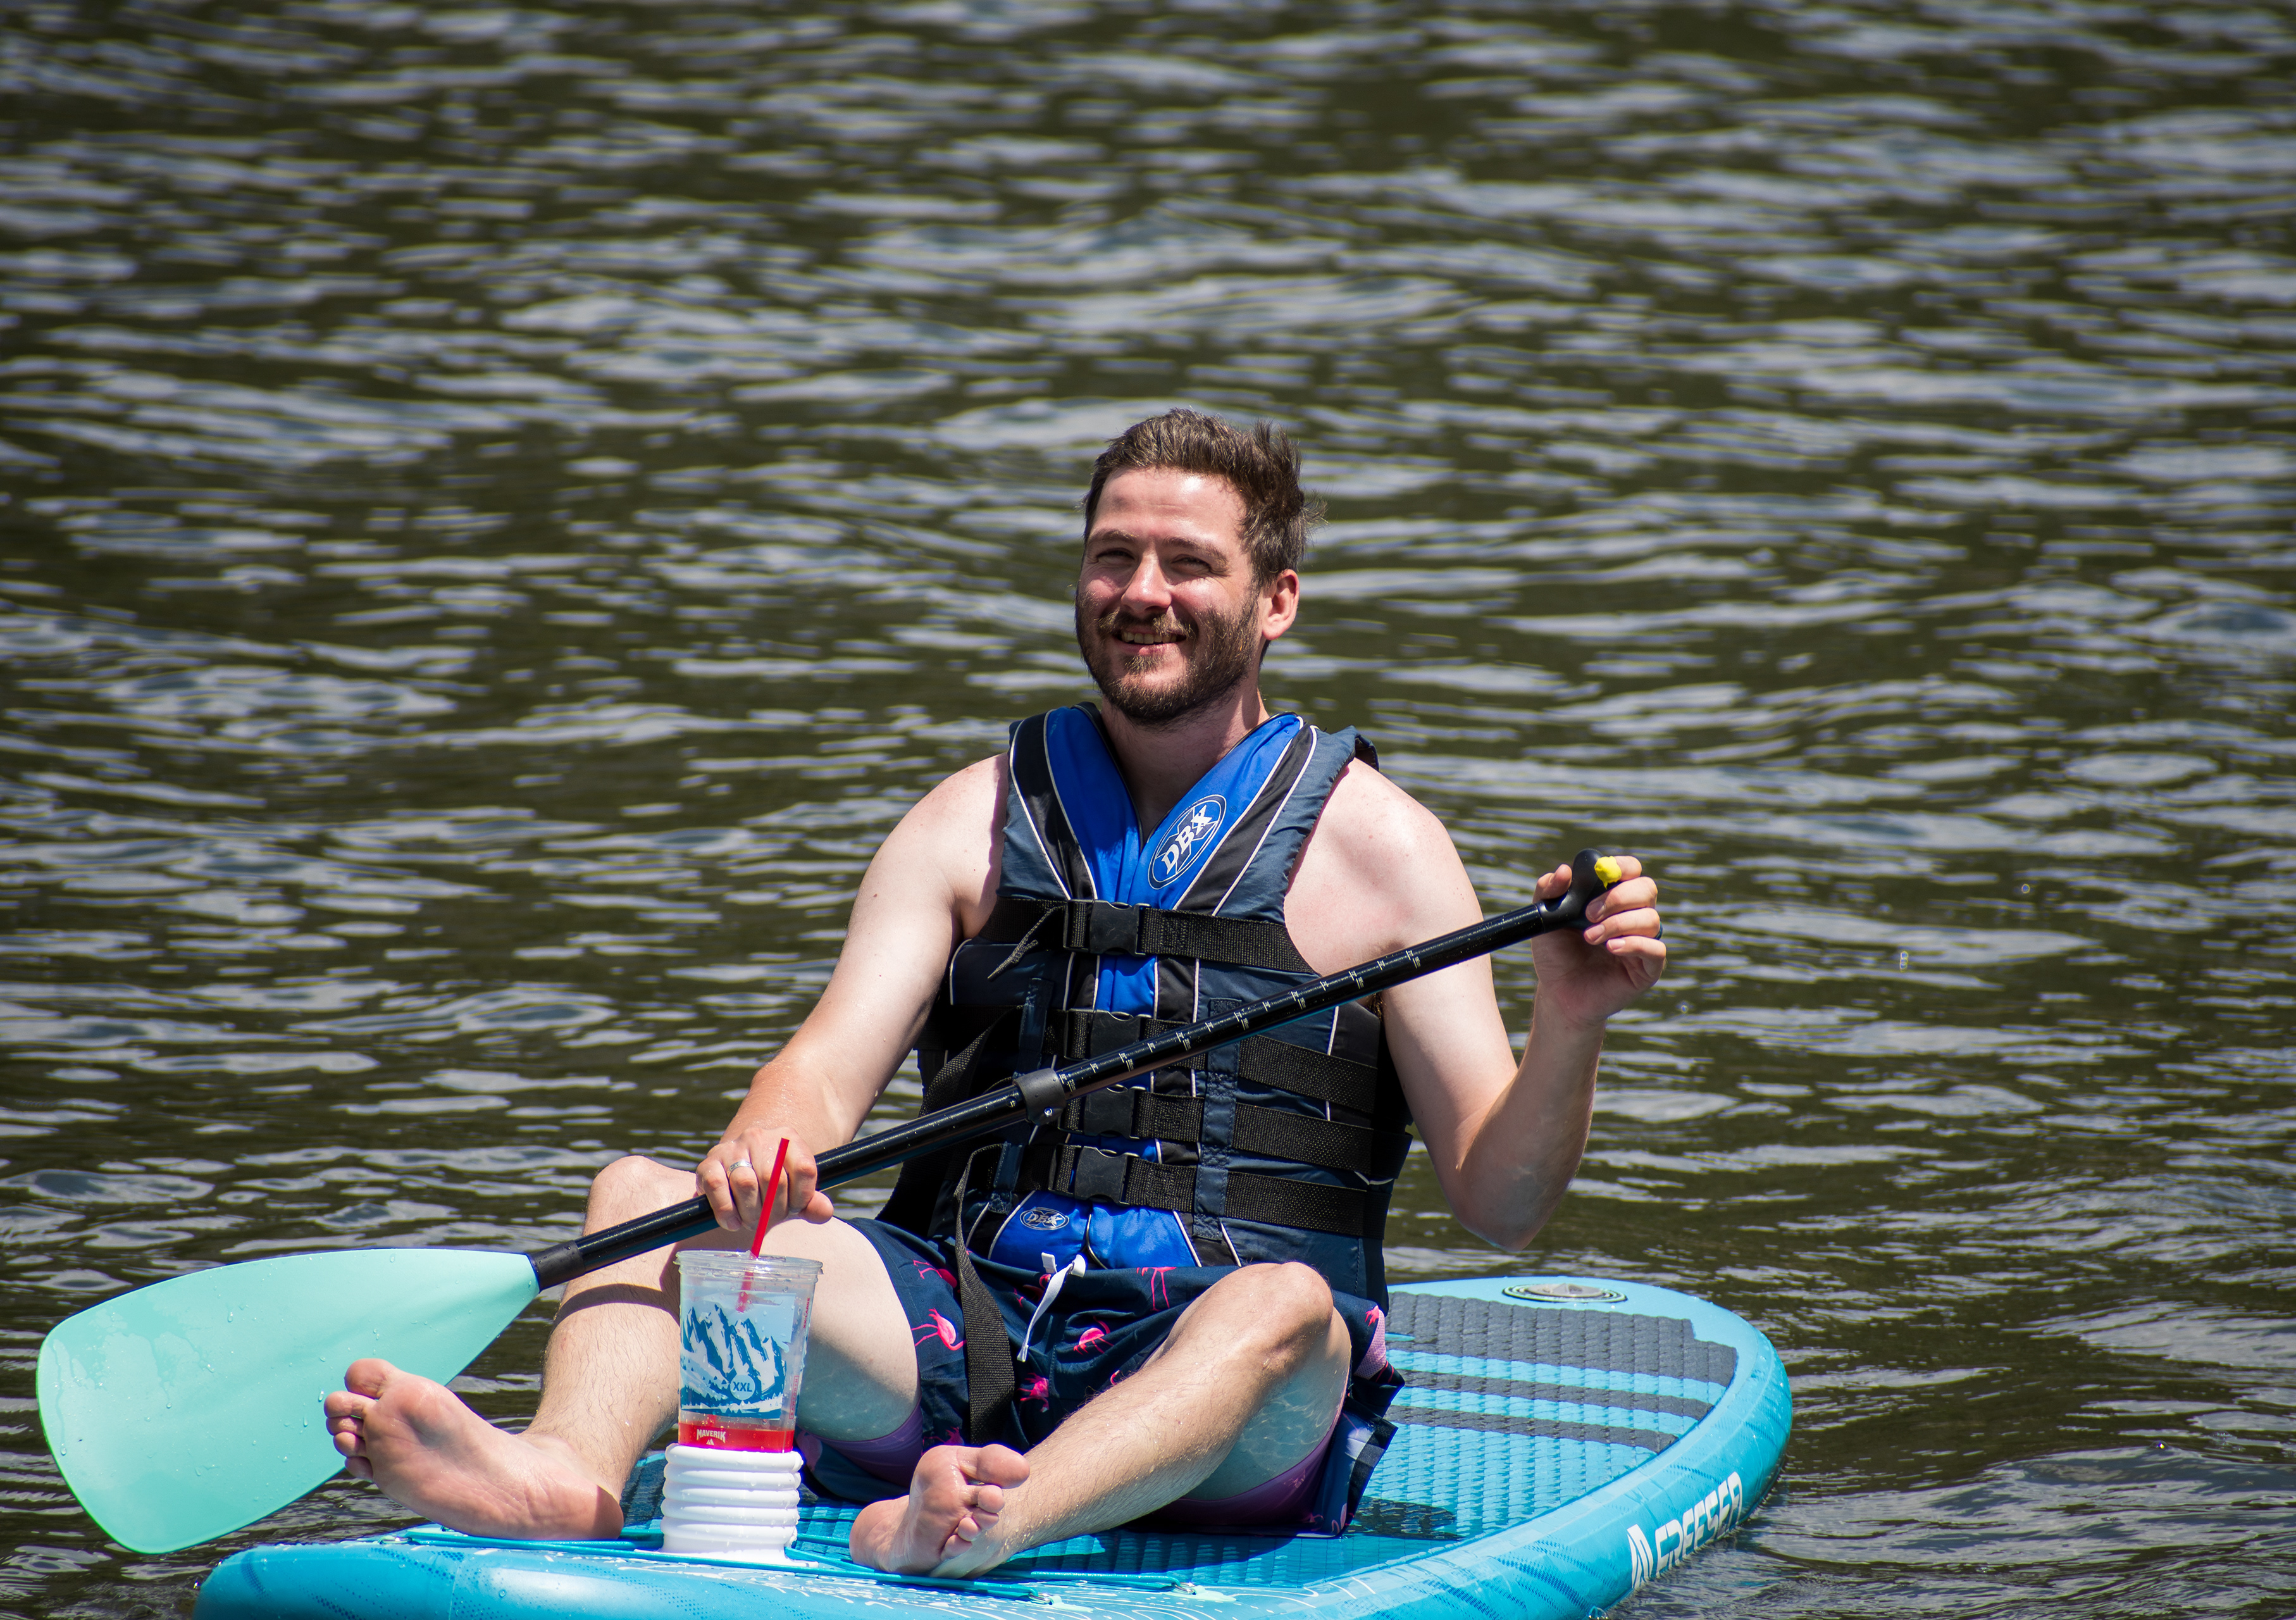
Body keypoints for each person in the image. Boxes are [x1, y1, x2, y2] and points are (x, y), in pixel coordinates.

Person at [323, 408, 1665, 1577]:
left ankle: (991, 1521)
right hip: (959, 1337)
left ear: (1277, 601)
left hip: (1220, 1395)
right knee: (638, 1199)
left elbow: (1500, 1200)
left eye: (1189, 563)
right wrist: (763, 1140)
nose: (1144, 591)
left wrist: (1572, 1018)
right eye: (1113, 556)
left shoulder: (1387, 848)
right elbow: (823, 1071)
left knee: (1284, 1309)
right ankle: (563, 1474)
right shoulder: (968, 822)